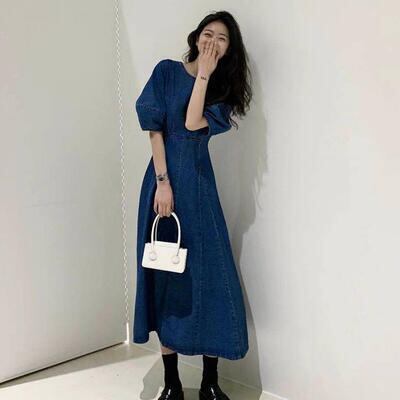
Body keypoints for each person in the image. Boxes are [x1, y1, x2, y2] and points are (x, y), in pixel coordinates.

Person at [133, 10, 252, 400]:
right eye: (208, 33)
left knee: (210, 278)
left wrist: (204, 75)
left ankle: (209, 381)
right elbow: (156, 130)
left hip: (199, 190)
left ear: (229, 50)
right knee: (164, 277)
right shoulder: (166, 72)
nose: (212, 41)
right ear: (196, 36)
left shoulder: (222, 92)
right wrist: (162, 183)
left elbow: (190, 122)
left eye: (222, 38)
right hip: (162, 186)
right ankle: (171, 382)